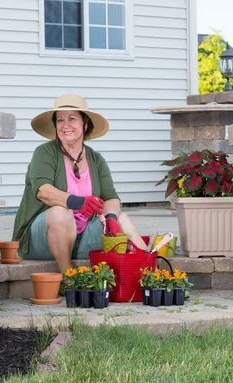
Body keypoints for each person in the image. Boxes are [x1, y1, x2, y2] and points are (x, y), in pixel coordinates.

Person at [12, 94, 147, 273]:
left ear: (85, 124)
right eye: (60, 120)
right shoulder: (44, 152)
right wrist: (78, 202)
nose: (65, 124)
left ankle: (149, 272)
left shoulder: (96, 159)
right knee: (60, 212)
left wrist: (111, 218)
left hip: (82, 239)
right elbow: (43, 191)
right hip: (42, 238)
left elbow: (111, 198)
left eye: (72, 118)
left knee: (122, 219)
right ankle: (69, 278)